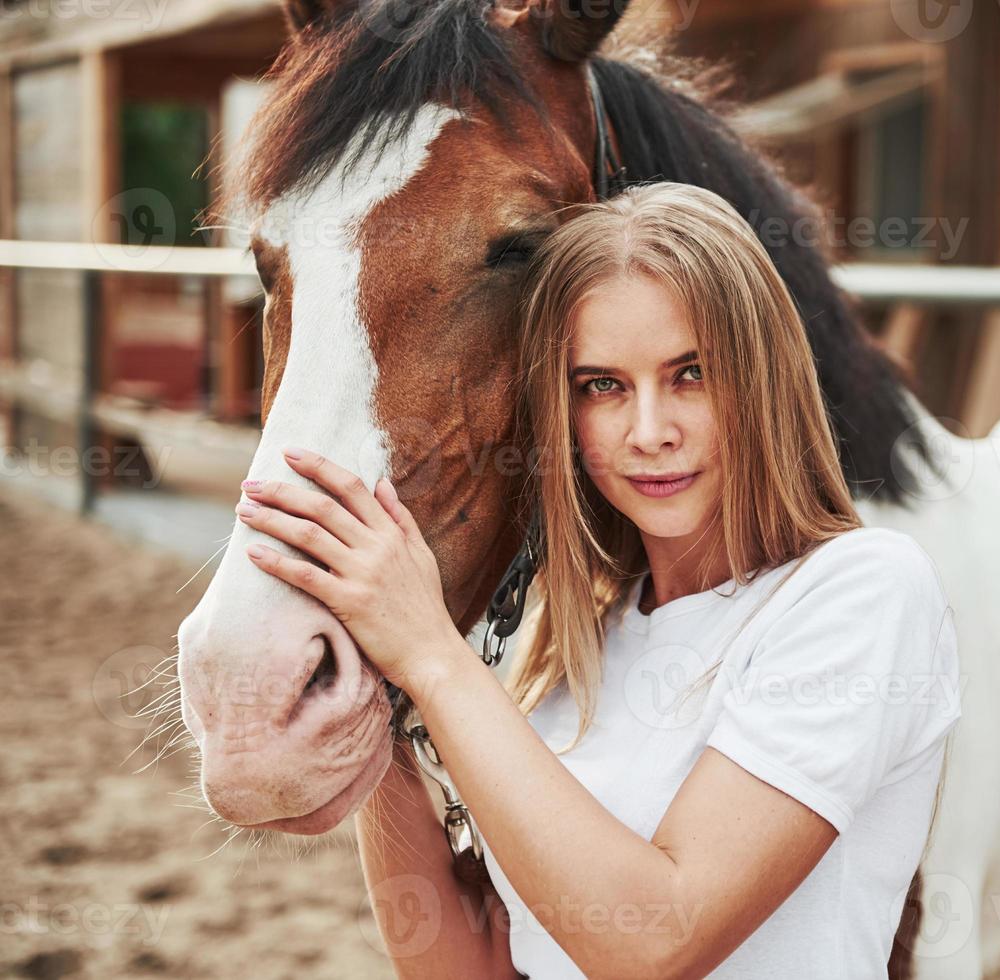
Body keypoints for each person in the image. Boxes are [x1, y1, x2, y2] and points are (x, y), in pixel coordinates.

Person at [247, 181, 962, 978]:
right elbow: (468, 967)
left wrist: (430, 656)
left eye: (690, 373)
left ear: (764, 379)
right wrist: (378, 677)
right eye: (603, 386)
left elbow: (656, 941)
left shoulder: (861, 592)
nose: (649, 432)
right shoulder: (568, 638)